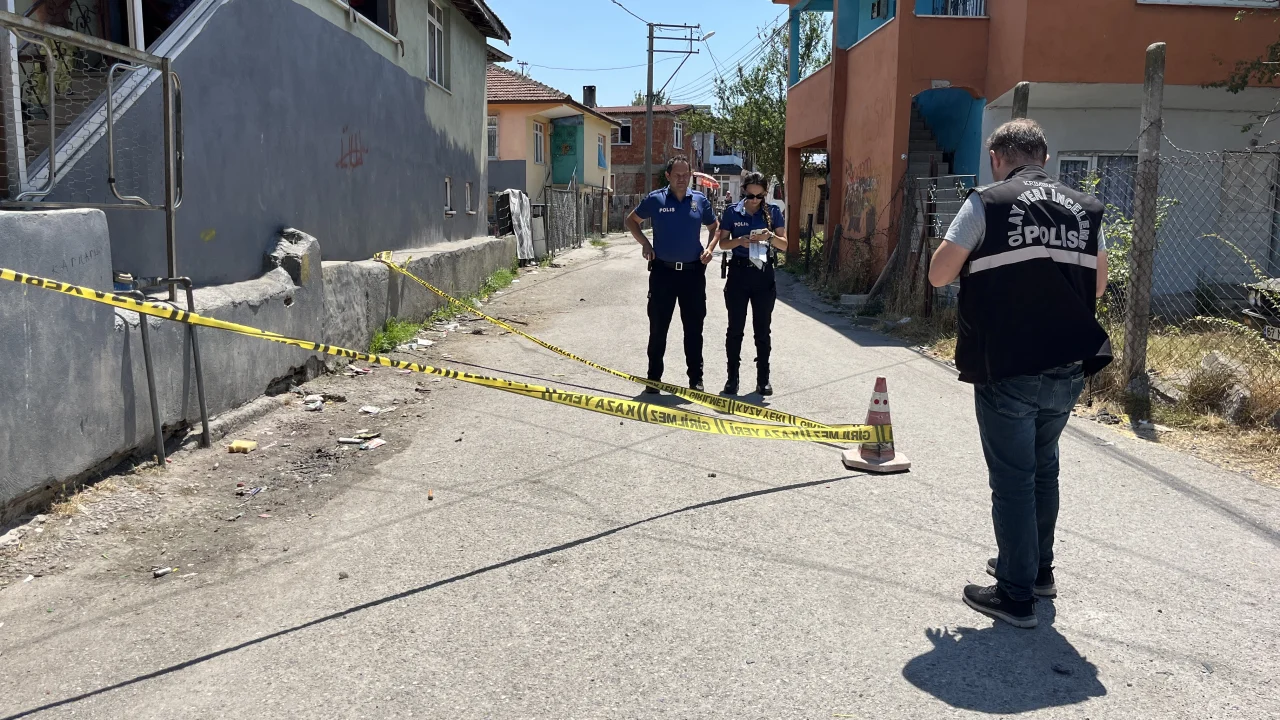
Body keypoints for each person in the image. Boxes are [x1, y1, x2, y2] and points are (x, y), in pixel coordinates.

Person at [928, 119, 1112, 629]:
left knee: (1012, 478)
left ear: (997, 157)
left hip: (1007, 363)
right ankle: (1037, 571)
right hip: (1068, 364)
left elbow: (939, 274)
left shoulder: (987, 203)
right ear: (1045, 158)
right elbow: (1098, 286)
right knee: (1043, 468)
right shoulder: (1086, 209)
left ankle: (1014, 594)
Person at [626, 156, 720, 392]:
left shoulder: (699, 200)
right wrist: (646, 244)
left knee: (694, 329)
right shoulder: (655, 199)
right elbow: (632, 221)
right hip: (663, 274)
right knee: (658, 328)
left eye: (685, 175)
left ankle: (696, 379)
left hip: (692, 274)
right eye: (677, 175)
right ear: (668, 176)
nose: (682, 179)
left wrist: (710, 248)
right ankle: (653, 379)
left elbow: (714, 227)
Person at [711, 172, 787, 395]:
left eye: (759, 196)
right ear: (744, 191)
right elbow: (723, 244)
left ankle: (763, 378)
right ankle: (732, 378)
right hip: (739, 273)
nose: (754, 200)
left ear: (765, 193)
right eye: (750, 195)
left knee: (762, 330)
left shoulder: (773, 212)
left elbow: (785, 245)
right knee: (735, 329)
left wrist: (769, 237)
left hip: (763, 274)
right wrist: (739, 241)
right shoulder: (732, 212)